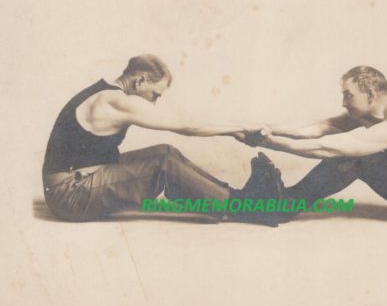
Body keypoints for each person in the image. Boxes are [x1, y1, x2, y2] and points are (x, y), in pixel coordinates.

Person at [42, 54, 282, 226]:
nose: (153, 102)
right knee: (162, 166)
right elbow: (188, 126)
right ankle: (243, 207)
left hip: (81, 180)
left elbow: (186, 123)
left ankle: (236, 195)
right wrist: (240, 128)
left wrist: (234, 131)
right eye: (154, 95)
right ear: (140, 81)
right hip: (68, 196)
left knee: (165, 152)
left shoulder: (106, 93)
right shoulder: (114, 101)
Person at [245, 66, 387, 224]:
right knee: (350, 147)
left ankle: (285, 205)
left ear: (371, 95)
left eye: (349, 96)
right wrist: (266, 129)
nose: (344, 103)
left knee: (357, 155)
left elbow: (327, 147)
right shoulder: (374, 111)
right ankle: (287, 198)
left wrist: (272, 143)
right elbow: (317, 127)